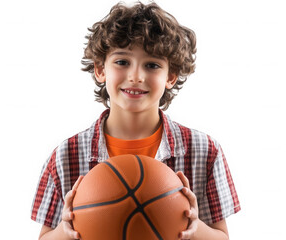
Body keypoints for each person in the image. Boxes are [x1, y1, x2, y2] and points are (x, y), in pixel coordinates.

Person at [31, 2, 240, 239]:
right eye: (122, 62)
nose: (136, 76)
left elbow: (222, 236)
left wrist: (195, 226)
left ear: (170, 76)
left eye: (152, 65)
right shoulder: (65, 156)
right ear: (100, 70)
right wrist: (65, 231)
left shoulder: (204, 151)